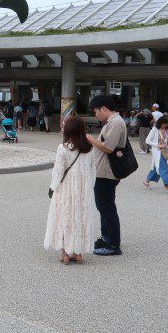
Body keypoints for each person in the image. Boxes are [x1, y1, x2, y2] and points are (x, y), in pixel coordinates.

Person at [44, 115, 96, 264]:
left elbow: (58, 171)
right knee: (80, 216)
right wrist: (89, 187)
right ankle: (78, 253)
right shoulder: (90, 148)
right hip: (83, 189)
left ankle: (66, 254)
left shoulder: (63, 148)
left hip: (66, 188)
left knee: (65, 216)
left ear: (68, 130)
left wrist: (53, 186)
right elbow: (93, 170)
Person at [85, 95, 126, 256]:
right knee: (103, 207)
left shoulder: (115, 123)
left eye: (96, 112)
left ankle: (113, 244)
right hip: (103, 170)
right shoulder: (112, 122)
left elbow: (108, 148)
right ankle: (106, 237)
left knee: (106, 208)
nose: (96, 115)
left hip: (107, 172)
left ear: (103, 108)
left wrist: (90, 139)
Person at [142, 116, 168, 195]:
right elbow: (147, 140)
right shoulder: (155, 129)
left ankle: (146, 181)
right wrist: (157, 145)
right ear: (160, 122)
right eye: (164, 124)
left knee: (156, 167)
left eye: (167, 124)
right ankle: (167, 187)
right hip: (157, 152)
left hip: (164, 151)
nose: (165, 125)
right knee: (164, 169)